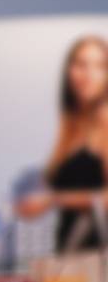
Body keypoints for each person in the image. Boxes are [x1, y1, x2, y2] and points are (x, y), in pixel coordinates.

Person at [17, 35, 108, 253]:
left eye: (99, 66)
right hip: (70, 256)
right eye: (81, 64)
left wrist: (54, 199)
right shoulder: (71, 127)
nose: (89, 75)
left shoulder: (104, 124)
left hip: (96, 259)